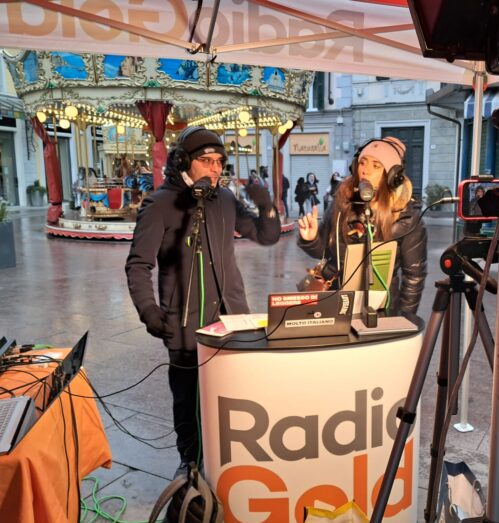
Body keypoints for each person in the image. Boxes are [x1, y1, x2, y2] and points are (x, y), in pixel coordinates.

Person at [125, 126, 280, 476]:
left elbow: (267, 236)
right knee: (188, 400)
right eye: (205, 161)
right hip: (185, 325)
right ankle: (190, 464)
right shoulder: (159, 204)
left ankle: (228, 461)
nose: (214, 168)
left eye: (219, 162)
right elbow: (138, 265)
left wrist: (266, 205)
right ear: (183, 161)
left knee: (233, 396)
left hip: (233, 321)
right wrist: (150, 312)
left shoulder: (224, 199)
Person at [297, 136, 427, 314]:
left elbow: (414, 277)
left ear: (391, 176)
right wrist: (311, 239)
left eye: (376, 165)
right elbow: (324, 253)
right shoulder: (342, 203)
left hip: (381, 308)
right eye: (362, 162)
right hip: (337, 301)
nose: (365, 171)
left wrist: (402, 319)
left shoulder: (408, 217)